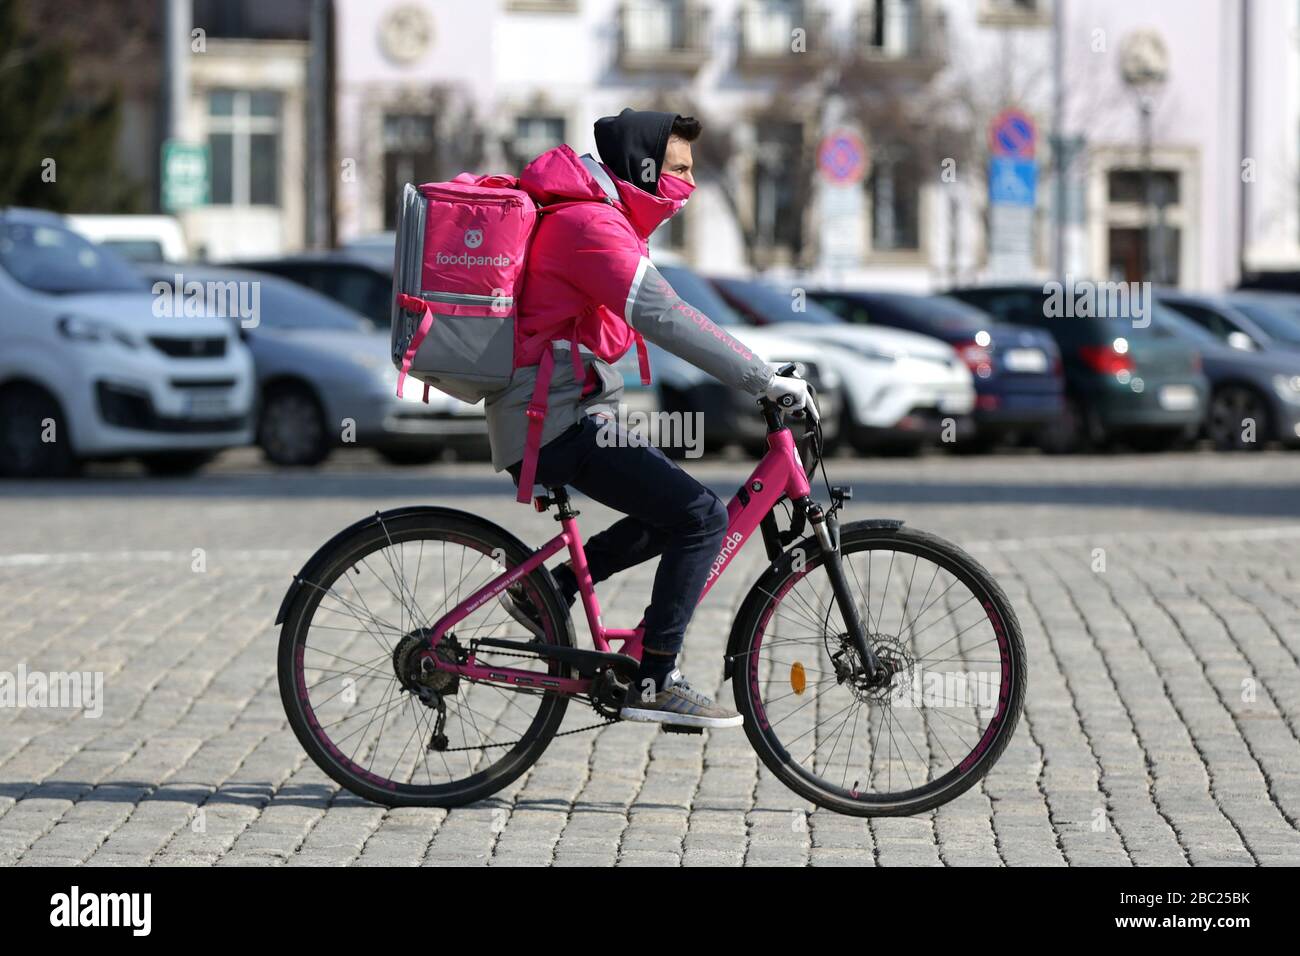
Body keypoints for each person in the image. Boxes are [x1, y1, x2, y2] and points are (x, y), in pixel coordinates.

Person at [487, 108, 814, 729]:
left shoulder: (596, 217)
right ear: (641, 167)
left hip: (562, 413)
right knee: (699, 517)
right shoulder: (589, 225)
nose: (688, 185)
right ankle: (656, 676)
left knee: (683, 511)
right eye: (680, 170)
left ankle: (548, 592)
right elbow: (663, 313)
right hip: (552, 423)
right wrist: (760, 378)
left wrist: (758, 371)